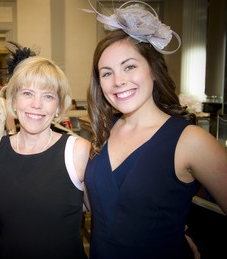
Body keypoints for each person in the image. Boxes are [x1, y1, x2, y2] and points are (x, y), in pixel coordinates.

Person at [84, 1, 227, 259]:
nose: (118, 81)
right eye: (107, 73)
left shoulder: (189, 140)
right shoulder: (104, 132)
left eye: (129, 66)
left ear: (152, 69)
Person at [0, 55, 91, 259]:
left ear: (58, 106)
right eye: (28, 93)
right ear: (12, 100)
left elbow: (105, 218)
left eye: (48, 96)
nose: (36, 104)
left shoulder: (78, 152)